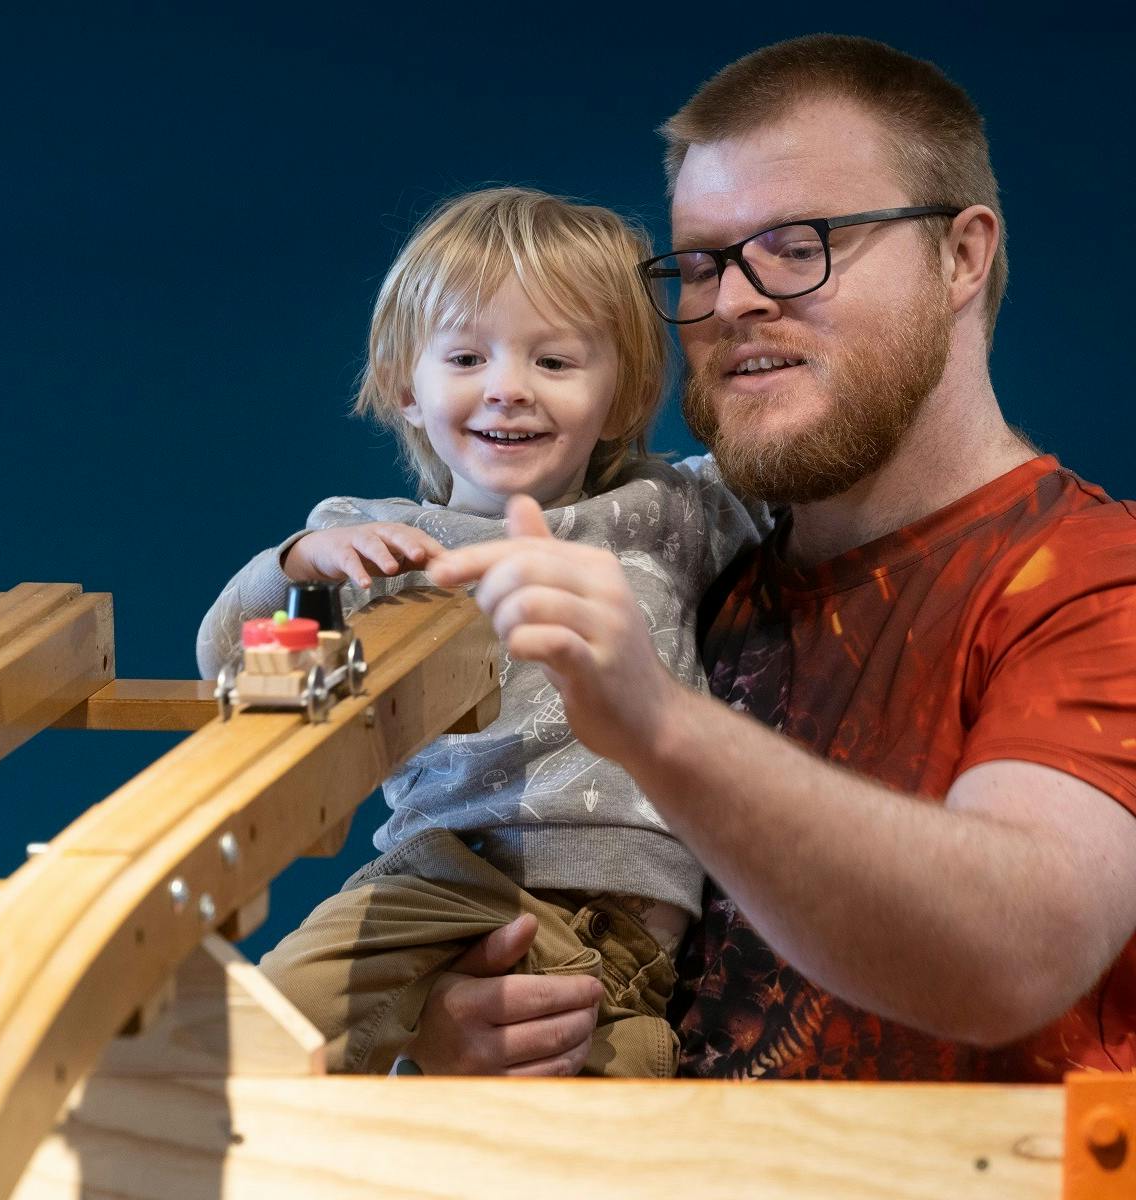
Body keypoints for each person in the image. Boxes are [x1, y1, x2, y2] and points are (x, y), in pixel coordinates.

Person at [417, 33, 1136, 1081]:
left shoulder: (1088, 580)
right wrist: (467, 1026)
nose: (736, 300)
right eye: (702, 262)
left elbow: (1018, 955)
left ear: (961, 255)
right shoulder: (685, 580)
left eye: (801, 245)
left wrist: (660, 724)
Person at [196, 186, 763, 1076]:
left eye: (556, 361)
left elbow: (821, 473)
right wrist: (299, 561)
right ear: (404, 390)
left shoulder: (670, 512)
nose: (508, 388)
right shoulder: (375, 541)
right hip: (434, 881)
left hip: (623, 931)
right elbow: (231, 662)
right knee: (267, 1024)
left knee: (626, 1106)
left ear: (621, 397)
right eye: (466, 356)